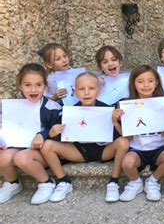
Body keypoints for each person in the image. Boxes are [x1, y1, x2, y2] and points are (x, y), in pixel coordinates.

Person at [40, 72, 129, 203]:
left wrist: (115, 122)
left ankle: (113, 182)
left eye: (91, 88)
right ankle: (64, 182)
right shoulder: (69, 112)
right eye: (81, 89)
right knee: (47, 145)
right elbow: (61, 136)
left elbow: (118, 136)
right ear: (75, 92)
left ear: (98, 91)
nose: (86, 93)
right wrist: (53, 133)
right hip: (79, 151)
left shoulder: (107, 109)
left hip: (103, 150)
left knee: (123, 142)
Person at [113, 65, 164, 202]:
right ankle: (135, 183)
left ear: (156, 83)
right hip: (137, 148)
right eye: (140, 81)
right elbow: (128, 136)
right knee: (127, 162)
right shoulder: (126, 104)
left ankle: (153, 181)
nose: (146, 85)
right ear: (133, 84)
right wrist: (116, 122)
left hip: (160, 148)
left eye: (150, 81)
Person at [0, 63, 61, 204]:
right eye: (27, 85)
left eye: (38, 85)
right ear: (20, 86)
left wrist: (43, 134)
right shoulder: (13, 107)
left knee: (21, 158)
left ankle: (46, 182)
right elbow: (8, 129)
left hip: (43, 153)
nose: (33, 89)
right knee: (3, 157)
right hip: (20, 146)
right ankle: (12, 183)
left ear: (45, 86)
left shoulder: (52, 107)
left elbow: (59, 131)